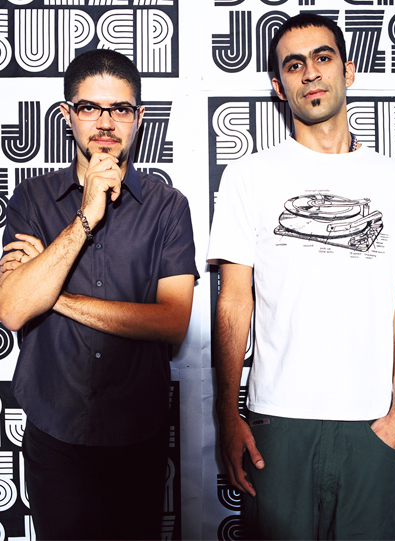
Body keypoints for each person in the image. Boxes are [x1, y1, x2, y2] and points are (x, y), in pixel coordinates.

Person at [207, 13, 395, 541]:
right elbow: (234, 302)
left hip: (372, 423)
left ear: (348, 70)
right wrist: (226, 414)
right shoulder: (248, 176)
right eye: (294, 65)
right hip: (277, 426)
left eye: (323, 57)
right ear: (279, 87)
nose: (310, 73)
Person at [0, 49, 198, 540]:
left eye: (120, 109)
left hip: (138, 432)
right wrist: (87, 215)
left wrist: (52, 292)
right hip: (53, 430)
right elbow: (12, 309)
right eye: (89, 107)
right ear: (67, 114)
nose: (105, 123)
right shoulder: (32, 198)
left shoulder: (168, 207)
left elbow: (172, 323)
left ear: (139, 117)